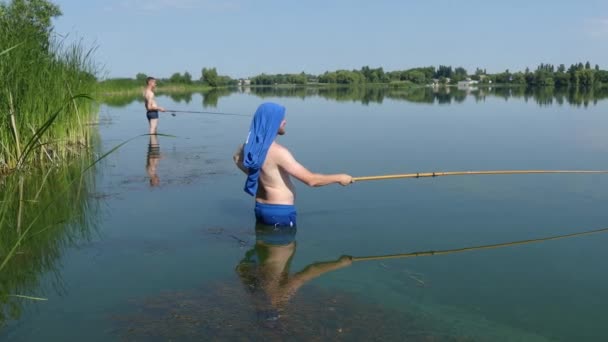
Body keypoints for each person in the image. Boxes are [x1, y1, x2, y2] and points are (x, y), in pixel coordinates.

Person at [233, 102, 353, 227]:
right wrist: (340, 178)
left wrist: (258, 174)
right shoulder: (279, 153)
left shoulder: (248, 147)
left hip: (260, 208)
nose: (285, 122)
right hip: (280, 212)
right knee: (285, 246)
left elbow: (237, 159)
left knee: (264, 245)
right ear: (272, 123)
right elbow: (311, 180)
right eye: (281, 119)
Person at [235, 223, 352, 324]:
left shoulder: (277, 298)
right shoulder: (252, 292)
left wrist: (340, 263)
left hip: (280, 235)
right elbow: (241, 267)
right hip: (262, 231)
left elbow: (310, 271)